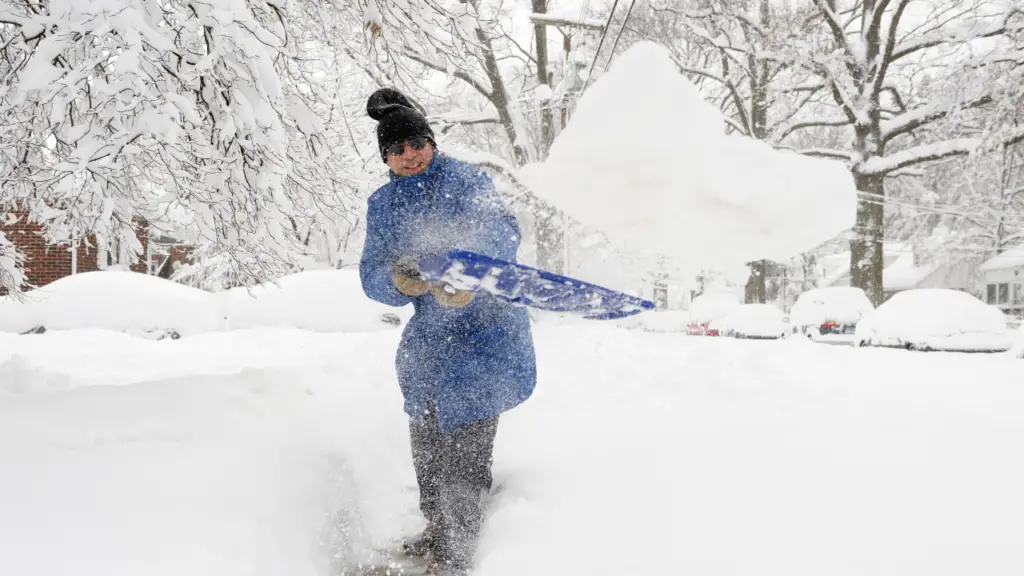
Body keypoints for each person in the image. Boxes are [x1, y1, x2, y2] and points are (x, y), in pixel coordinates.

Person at [359, 88, 537, 575]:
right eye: (396, 151)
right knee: (428, 445)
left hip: (485, 337)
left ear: (431, 142)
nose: (408, 156)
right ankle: (437, 527)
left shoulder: (465, 181)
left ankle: (459, 554)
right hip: (431, 343)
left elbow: (501, 232)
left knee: (464, 453)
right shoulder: (383, 205)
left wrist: (466, 272)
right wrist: (398, 280)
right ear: (386, 159)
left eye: (415, 144)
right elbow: (372, 272)